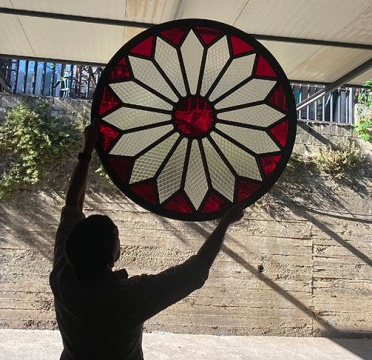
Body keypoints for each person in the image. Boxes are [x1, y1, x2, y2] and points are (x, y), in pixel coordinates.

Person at [50, 120, 243, 359]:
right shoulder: (125, 299)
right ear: (112, 255)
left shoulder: (64, 277)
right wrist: (225, 222)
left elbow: (72, 205)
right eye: (116, 235)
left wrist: (87, 151)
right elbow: (196, 272)